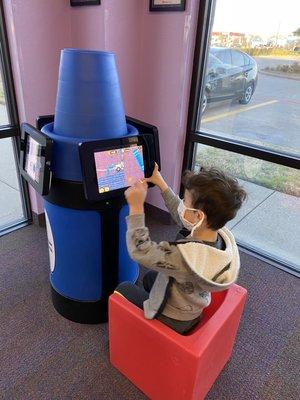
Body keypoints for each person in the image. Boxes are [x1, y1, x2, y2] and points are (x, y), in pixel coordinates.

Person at [114, 164, 247, 334]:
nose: (182, 204)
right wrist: (161, 183)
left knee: (123, 288)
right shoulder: (220, 237)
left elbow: (141, 251)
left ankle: (146, 334)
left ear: (198, 216)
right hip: (192, 304)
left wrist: (136, 207)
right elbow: (182, 216)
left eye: (185, 201)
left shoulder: (185, 257)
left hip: (173, 318)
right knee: (149, 278)